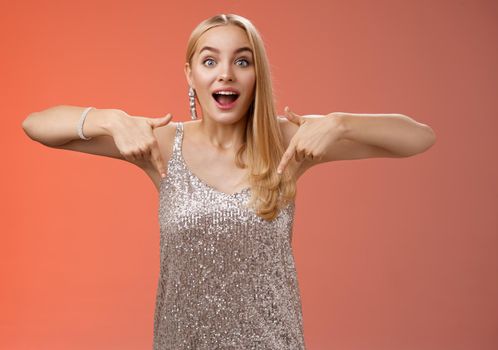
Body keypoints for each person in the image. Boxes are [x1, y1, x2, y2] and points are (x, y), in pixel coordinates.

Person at [21, 13, 436, 350]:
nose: (226, 75)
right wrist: (106, 118)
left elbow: (419, 136)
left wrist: (340, 124)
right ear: (190, 74)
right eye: (209, 61)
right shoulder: (162, 145)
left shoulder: (289, 142)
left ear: (257, 74)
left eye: (242, 61)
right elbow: (36, 125)